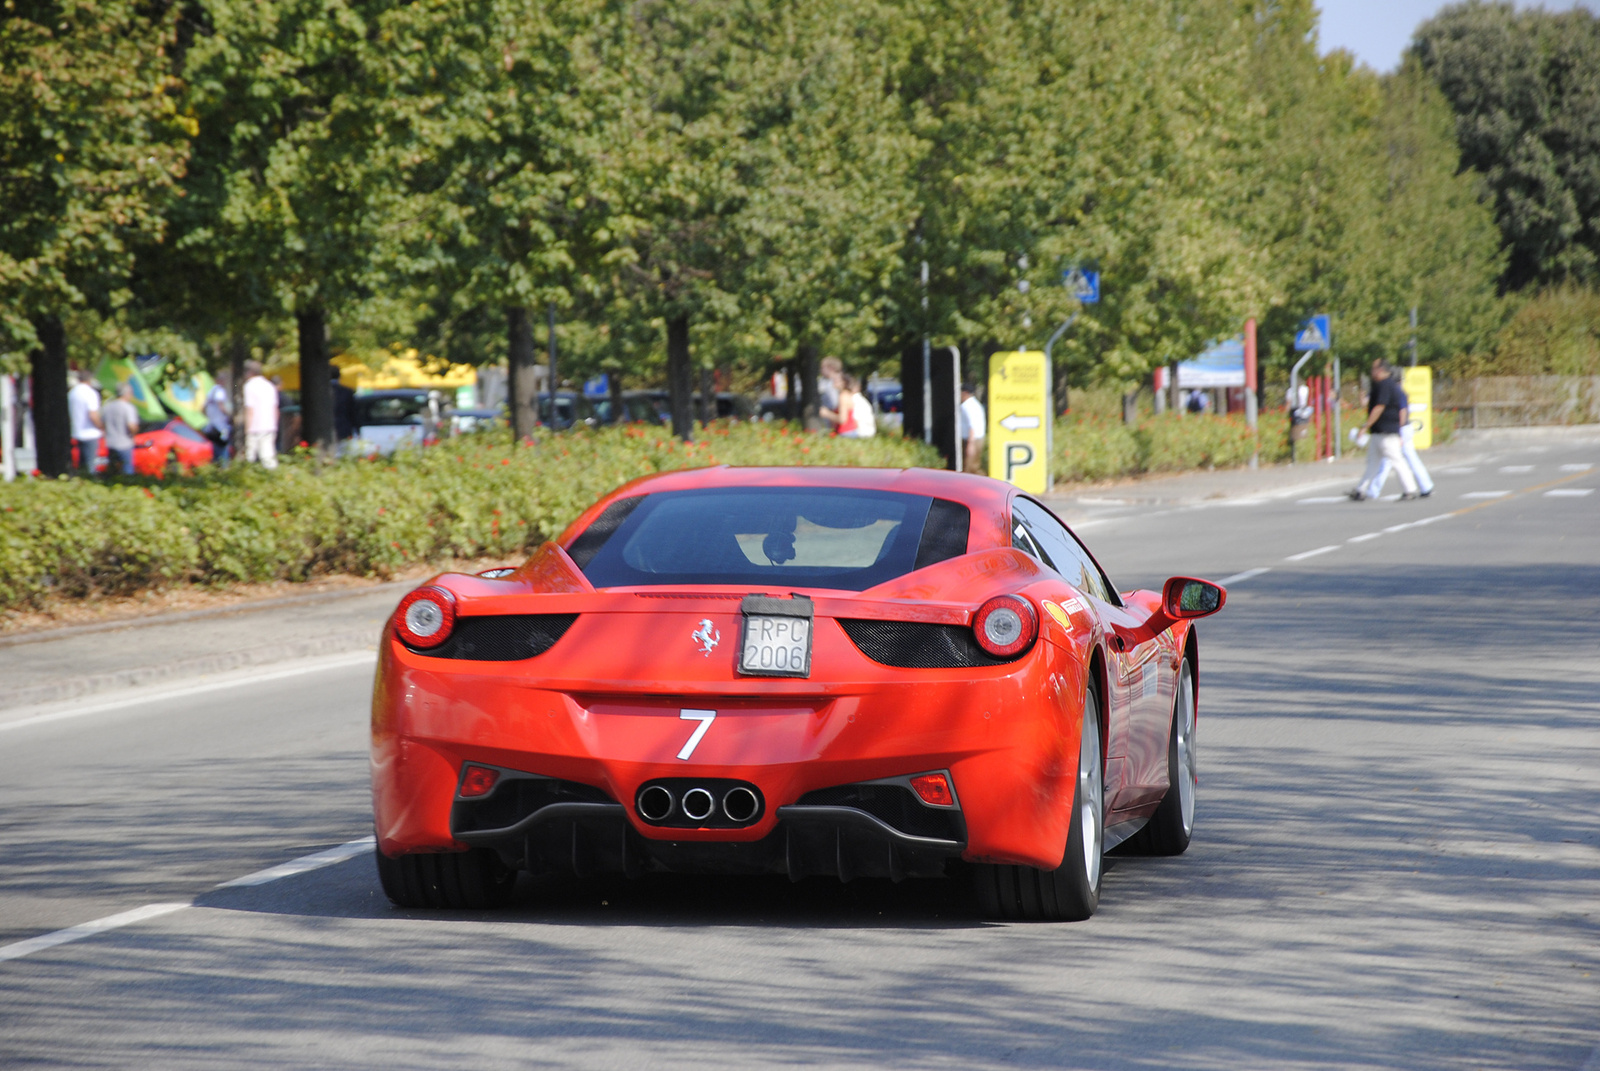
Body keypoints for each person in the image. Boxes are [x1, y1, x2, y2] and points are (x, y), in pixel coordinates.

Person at [1348, 359, 1417, 501]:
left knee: (1397, 460)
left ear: (1380, 370)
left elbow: (1380, 406)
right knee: (1373, 462)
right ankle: (1360, 490)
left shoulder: (1385, 385)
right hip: (1379, 432)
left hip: (1387, 432)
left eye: (1373, 368)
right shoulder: (1386, 385)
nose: (1371, 371)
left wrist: (1365, 426)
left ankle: (1410, 489)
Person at [1357, 381, 1434, 499]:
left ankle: (1374, 490)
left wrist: (1400, 431)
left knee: (1388, 462)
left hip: (1399, 429)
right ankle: (1425, 485)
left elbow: (1402, 411)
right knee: (1408, 458)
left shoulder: (1394, 393)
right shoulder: (1399, 392)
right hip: (1404, 428)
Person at [241, 360, 279, 469]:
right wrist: (274, 425)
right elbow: (275, 408)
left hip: (254, 427)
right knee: (268, 456)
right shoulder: (269, 386)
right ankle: (273, 478)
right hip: (269, 426)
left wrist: (246, 429)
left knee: (250, 457)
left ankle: (250, 478)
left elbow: (250, 409)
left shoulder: (249, 386)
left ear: (250, 372)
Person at [67, 370, 104, 474]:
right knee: (90, 465)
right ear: (90, 380)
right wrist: (101, 427)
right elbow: (93, 415)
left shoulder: (72, 393)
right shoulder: (90, 393)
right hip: (90, 433)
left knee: (80, 464)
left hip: (76, 432)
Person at [100, 383, 140, 476]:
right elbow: (131, 425)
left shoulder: (107, 406)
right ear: (126, 394)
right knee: (127, 470)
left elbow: (102, 424)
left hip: (110, 443)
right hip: (125, 443)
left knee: (112, 471)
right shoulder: (128, 407)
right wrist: (135, 432)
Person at [203, 373, 232, 463]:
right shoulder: (220, 391)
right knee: (223, 446)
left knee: (215, 447)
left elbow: (203, 407)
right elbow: (221, 406)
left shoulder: (211, 391)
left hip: (212, 424)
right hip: (221, 424)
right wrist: (230, 415)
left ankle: (216, 465)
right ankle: (224, 466)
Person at [958, 382, 986, 474]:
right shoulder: (975, 404)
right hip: (977, 439)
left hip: (972, 439)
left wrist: (971, 444)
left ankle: (985, 484)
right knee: (974, 465)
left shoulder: (967, 406)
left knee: (969, 467)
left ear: (965, 393)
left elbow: (972, 426)